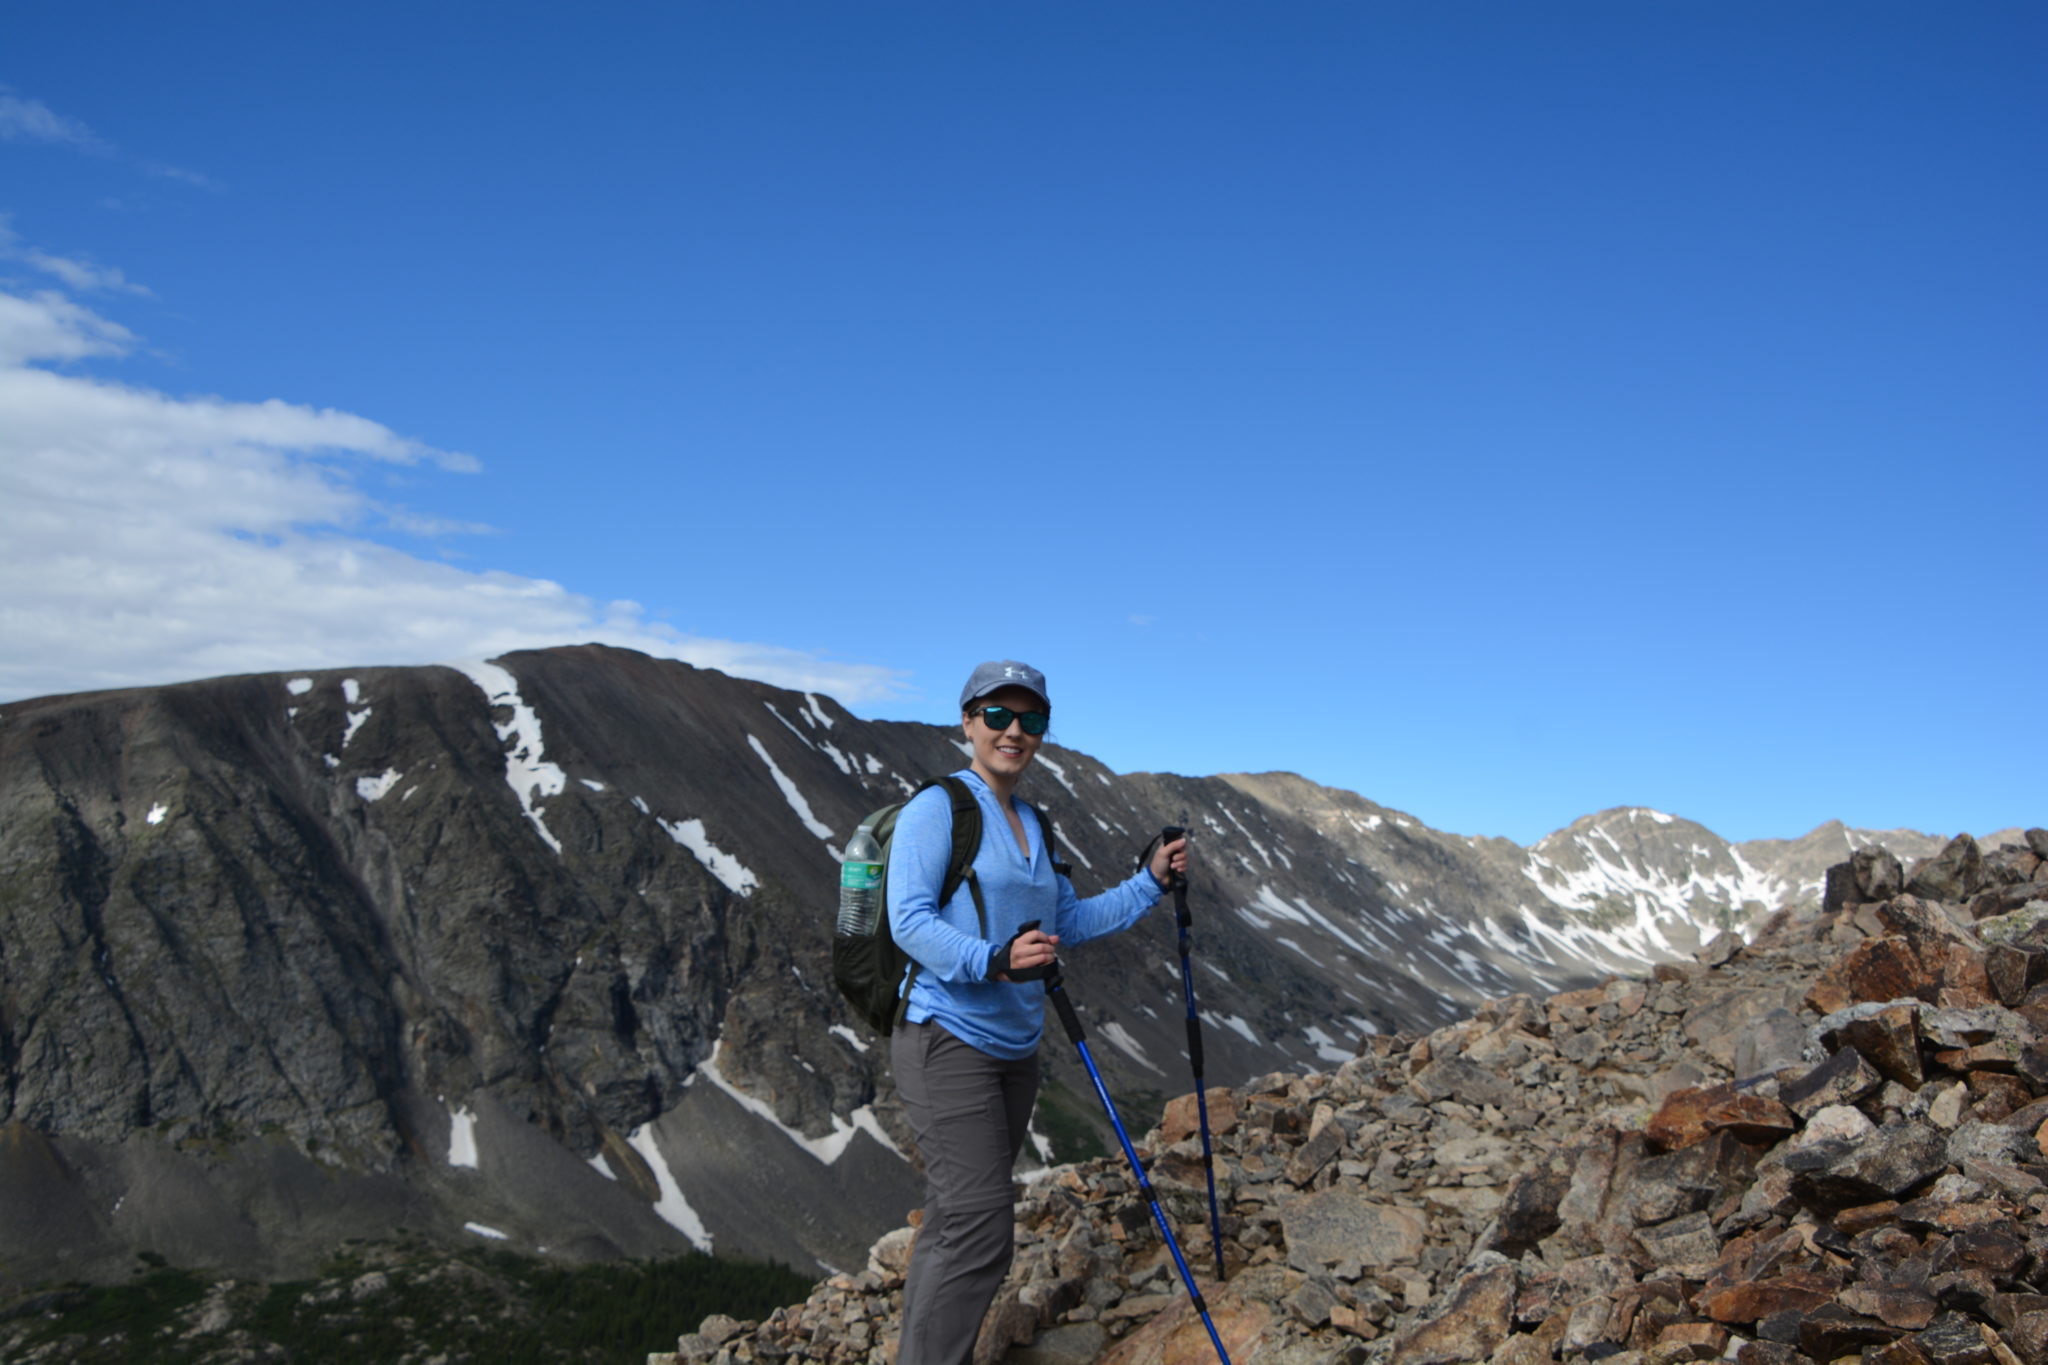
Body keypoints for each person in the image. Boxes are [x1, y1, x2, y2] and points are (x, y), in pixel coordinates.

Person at [888, 659, 1188, 1365]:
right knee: (980, 1227)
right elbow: (908, 919)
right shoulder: (939, 808)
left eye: (1031, 719)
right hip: (946, 1035)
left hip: (1014, 1049)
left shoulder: (1033, 820)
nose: (1013, 730)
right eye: (997, 715)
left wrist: (1149, 882)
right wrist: (994, 958)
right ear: (967, 721)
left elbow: (1069, 921)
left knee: (956, 1222)